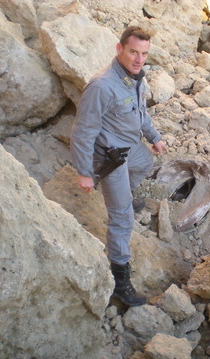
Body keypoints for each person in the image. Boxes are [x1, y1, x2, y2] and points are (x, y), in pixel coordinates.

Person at [70, 26, 167, 307]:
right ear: (119, 49)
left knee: (145, 160)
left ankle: (127, 194)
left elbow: (141, 113)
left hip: (129, 147)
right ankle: (120, 283)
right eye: (133, 52)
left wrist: (155, 138)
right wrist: (84, 172)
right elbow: (83, 131)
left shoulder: (135, 78)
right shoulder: (102, 86)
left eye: (144, 54)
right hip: (109, 156)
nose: (139, 59)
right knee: (122, 217)